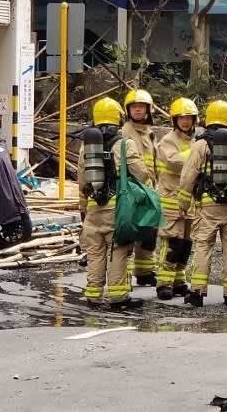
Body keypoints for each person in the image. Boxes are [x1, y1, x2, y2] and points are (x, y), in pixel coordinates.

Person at [179, 100, 227, 307]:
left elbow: (187, 178)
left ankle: (197, 293)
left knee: (203, 247)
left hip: (207, 207)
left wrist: (183, 205)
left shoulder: (200, 146)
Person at [77, 97, 149, 309]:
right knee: (118, 249)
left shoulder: (86, 148)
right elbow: (142, 174)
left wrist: (84, 208)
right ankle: (118, 297)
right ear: (118, 118)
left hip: (93, 206)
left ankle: (93, 295)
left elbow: (82, 181)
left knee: (95, 251)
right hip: (117, 207)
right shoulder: (125, 144)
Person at [155, 97, 198, 300]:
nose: (185, 121)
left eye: (189, 117)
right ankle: (164, 283)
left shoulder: (195, 142)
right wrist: (197, 155)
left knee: (185, 245)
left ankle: (179, 281)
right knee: (171, 243)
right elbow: (174, 162)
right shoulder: (168, 141)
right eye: (181, 118)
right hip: (171, 201)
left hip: (189, 203)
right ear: (174, 120)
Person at [121, 88, 159, 287]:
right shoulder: (126, 132)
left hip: (149, 188)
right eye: (134, 107)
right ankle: (123, 277)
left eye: (141, 107)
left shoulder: (150, 133)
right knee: (130, 232)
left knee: (148, 232)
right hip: (133, 188)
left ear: (148, 110)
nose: (137, 110)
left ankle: (145, 272)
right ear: (128, 110)